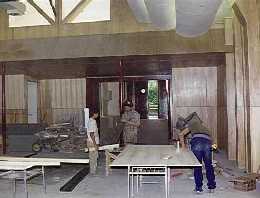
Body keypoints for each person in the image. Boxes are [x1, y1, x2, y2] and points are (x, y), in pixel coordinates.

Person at [176, 112, 216, 194]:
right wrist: (213, 147)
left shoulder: (192, 124)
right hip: (208, 143)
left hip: (197, 142)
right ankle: (211, 187)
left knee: (197, 166)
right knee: (209, 165)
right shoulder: (206, 129)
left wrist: (183, 146)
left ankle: (198, 188)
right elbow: (213, 141)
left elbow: (181, 134)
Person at [86, 109, 99, 174]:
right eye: (97, 113)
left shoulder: (90, 121)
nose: (98, 115)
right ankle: (93, 171)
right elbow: (91, 134)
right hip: (92, 142)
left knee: (94, 157)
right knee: (93, 157)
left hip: (92, 141)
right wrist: (95, 144)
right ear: (94, 114)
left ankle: (93, 170)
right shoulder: (92, 121)